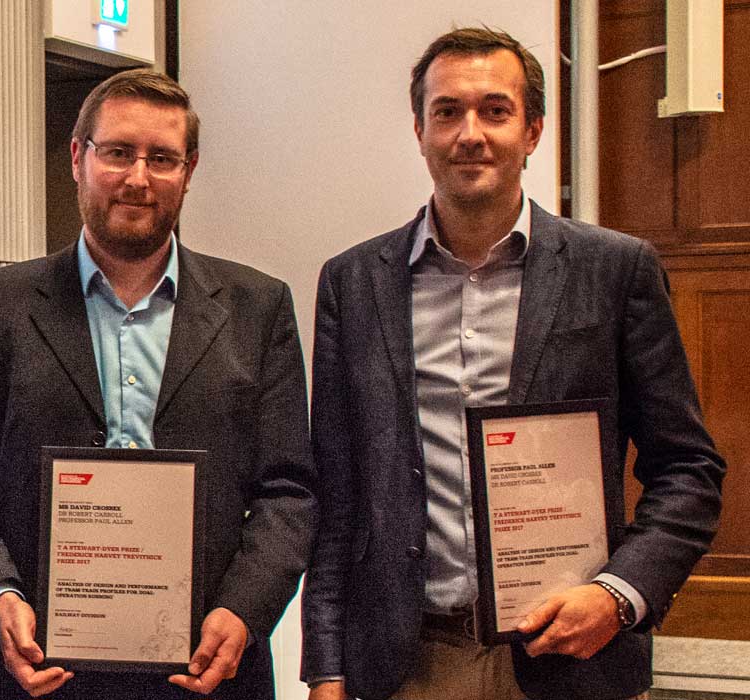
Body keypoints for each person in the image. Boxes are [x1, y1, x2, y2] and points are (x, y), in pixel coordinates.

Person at [300, 26, 724, 700]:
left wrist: (617, 597)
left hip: (573, 656)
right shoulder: (353, 284)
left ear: (532, 131)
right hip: (410, 666)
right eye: (447, 112)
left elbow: (688, 471)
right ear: (419, 130)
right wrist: (325, 667)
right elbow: (337, 491)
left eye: (495, 111)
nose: (471, 133)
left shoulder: (616, 271)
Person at [0, 68, 316, 699]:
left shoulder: (258, 307)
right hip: (38, 674)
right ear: (78, 157)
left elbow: (290, 491)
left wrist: (243, 612)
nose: (138, 178)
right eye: (118, 153)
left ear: (189, 169)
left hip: (208, 672)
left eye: (162, 158)